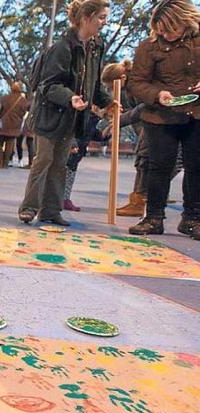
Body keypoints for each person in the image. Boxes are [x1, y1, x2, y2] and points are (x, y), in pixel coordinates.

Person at [18, 0, 114, 226]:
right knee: (44, 160)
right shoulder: (62, 48)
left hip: (73, 116)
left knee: (60, 163)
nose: (104, 22)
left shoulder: (95, 48)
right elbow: (48, 85)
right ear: (86, 18)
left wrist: (108, 102)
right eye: (101, 17)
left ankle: (51, 210)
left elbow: (94, 84)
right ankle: (29, 207)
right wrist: (70, 97)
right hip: (51, 115)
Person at [127, 0, 200, 239]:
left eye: (170, 29)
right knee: (158, 167)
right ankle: (153, 217)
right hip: (160, 116)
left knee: (196, 167)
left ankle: (192, 219)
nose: (165, 35)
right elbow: (136, 82)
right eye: (161, 30)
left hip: (196, 113)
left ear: (185, 22)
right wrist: (157, 95)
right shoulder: (148, 47)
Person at [102, 61, 148, 217]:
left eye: (110, 86)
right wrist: (113, 122)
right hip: (144, 128)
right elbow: (130, 111)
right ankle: (138, 200)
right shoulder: (128, 89)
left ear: (121, 78)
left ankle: (141, 201)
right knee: (142, 162)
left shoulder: (139, 84)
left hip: (153, 126)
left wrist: (120, 120)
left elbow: (142, 109)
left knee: (146, 163)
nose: (110, 91)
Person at [0, 81, 30, 169]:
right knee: (10, 145)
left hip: (3, 125)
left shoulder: (4, 98)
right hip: (14, 126)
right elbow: (24, 112)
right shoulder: (23, 101)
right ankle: (6, 163)